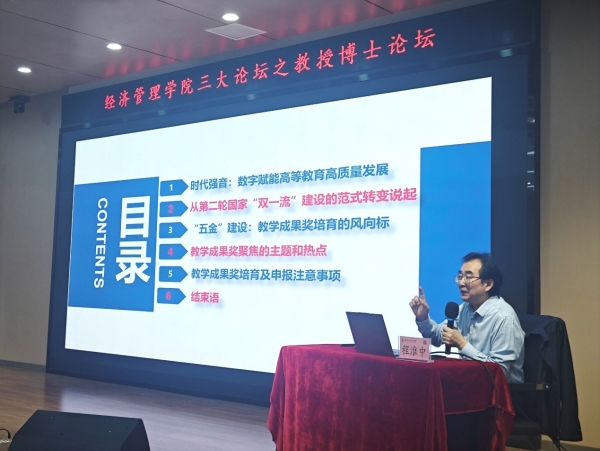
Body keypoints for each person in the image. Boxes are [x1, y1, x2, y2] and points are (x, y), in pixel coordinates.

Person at [409, 252, 525, 383]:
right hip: (471, 385)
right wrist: (423, 318)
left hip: (500, 392)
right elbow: (438, 337)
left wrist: (462, 344)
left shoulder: (504, 318)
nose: (461, 283)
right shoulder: (465, 309)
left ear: (488, 284)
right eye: (460, 276)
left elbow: (500, 373)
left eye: (468, 277)